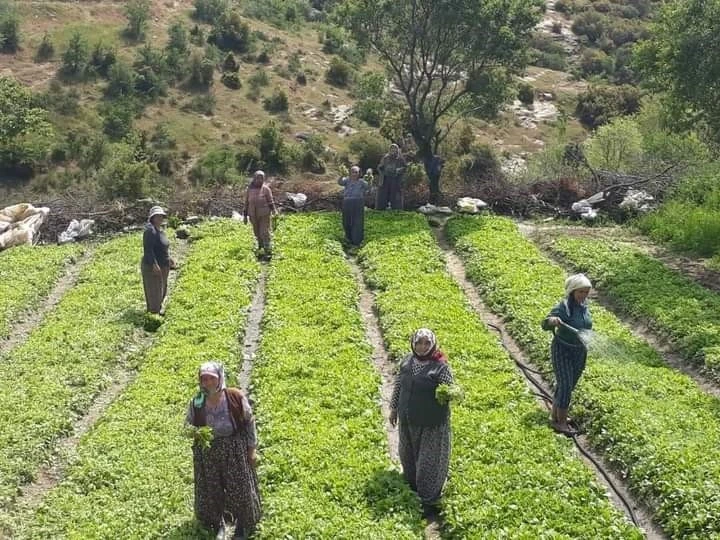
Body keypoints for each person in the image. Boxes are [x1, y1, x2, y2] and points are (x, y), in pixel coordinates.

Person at [186, 362, 261, 540]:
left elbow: (250, 422)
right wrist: (195, 432)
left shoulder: (234, 397)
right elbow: (187, 424)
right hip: (208, 452)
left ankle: (242, 525)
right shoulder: (197, 401)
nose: (207, 383)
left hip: (234, 449)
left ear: (220, 379)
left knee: (240, 488)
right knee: (212, 490)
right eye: (203, 379)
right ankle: (218, 524)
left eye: (211, 378)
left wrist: (251, 450)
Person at [390, 328, 453, 520]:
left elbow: (450, 389)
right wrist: (393, 408)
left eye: (427, 343)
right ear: (413, 344)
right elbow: (399, 385)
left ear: (433, 344)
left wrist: (448, 394)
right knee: (407, 455)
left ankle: (428, 500)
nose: (423, 347)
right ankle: (412, 490)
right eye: (419, 343)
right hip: (409, 420)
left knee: (428, 460)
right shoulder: (407, 362)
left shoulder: (440, 367)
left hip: (431, 423)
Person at [541, 273, 593, 435]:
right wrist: (552, 321)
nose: (583, 295)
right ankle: (561, 422)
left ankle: (556, 415)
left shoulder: (584, 307)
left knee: (569, 385)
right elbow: (545, 323)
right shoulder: (563, 307)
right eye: (580, 292)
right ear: (572, 292)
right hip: (563, 350)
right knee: (565, 384)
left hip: (579, 351)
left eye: (586, 292)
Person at [141, 205, 175, 314]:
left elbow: (161, 248)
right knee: (154, 290)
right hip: (153, 266)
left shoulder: (159, 231)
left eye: (161, 216)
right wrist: (154, 265)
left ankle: (158, 309)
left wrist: (169, 259)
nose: (160, 218)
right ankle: (153, 312)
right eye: (157, 216)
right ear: (152, 217)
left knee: (162, 289)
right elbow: (148, 249)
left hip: (163, 265)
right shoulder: (150, 231)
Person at [243, 170, 277, 260]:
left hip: (264, 214)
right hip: (253, 215)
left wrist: (274, 211)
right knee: (257, 232)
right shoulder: (249, 189)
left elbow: (271, 201)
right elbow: (246, 203)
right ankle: (260, 248)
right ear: (254, 179)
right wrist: (245, 216)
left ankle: (268, 250)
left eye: (261, 178)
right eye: (258, 178)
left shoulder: (266, 189)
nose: (260, 180)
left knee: (264, 232)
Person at [338, 165, 370, 246]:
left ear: (359, 173)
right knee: (346, 221)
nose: (355, 174)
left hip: (358, 202)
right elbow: (340, 182)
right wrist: (342, 175)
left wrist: (369, 179)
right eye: (353, 172)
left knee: (358, 221)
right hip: (347, 201)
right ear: (350, 173)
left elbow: (368, 187)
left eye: (356, 172)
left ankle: (357, 240)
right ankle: (348, 238)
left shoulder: (361, 182)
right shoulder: (347, 180)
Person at [376, 144, 407, 210]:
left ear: (397, 149)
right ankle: (381, 209)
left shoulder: (400, 158)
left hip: (395, 179)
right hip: (385, 179)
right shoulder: (385, 157)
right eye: (392, 148)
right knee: (383, 195)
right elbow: (380, 167)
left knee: (396, 195)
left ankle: (396, 209)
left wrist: (398, 170)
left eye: (395, 148)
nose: (393, 149)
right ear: (389, 149)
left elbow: (405, 167)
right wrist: (382, 169)